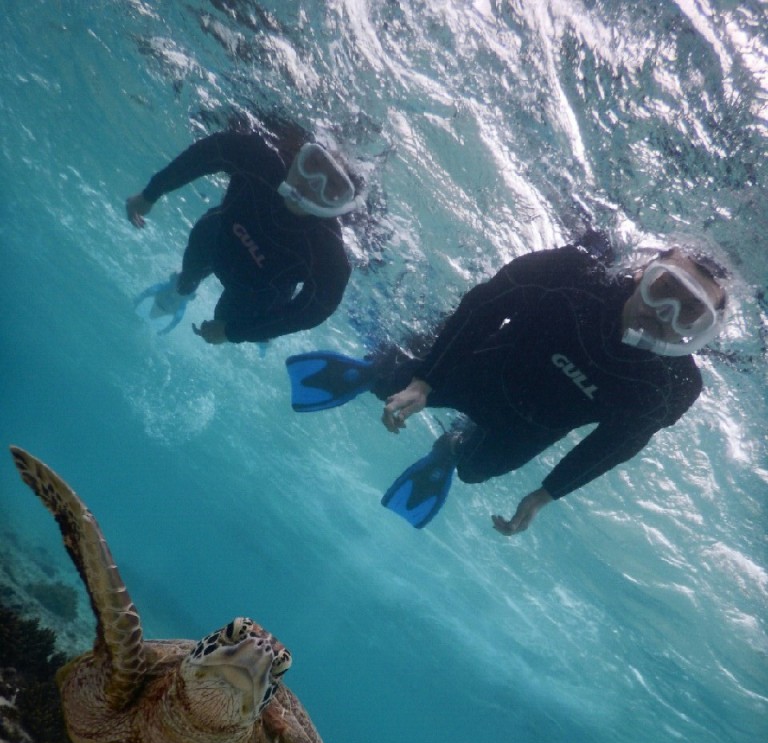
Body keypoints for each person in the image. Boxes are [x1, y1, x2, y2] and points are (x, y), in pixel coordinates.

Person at [285, 233, 727, 533]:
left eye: (688, 311)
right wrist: (424, 380)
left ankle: (451, 446)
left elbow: (619, 442)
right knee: (394, 385)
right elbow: (484, 304)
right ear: (644, 271)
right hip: (479, 366)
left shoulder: (671, 386)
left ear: (702, 332)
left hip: (527, 428)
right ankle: (375, 371)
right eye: (664, 287)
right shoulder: (573, 275)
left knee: (474, 471)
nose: (662, 312)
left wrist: (546, 494)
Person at [126, 130, 360, 342]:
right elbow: (205, 154)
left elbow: (310, 312)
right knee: (187, 278)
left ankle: (246, 330)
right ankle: (182, 291)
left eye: (330, 188)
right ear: (299, 156)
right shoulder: (258, 160)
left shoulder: (329, 256)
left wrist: (235, 333)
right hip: (214, 239)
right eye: (312, 165)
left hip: (256, 294)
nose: (310, 184)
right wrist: (150, 194)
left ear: (338, 205)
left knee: (226, 323)